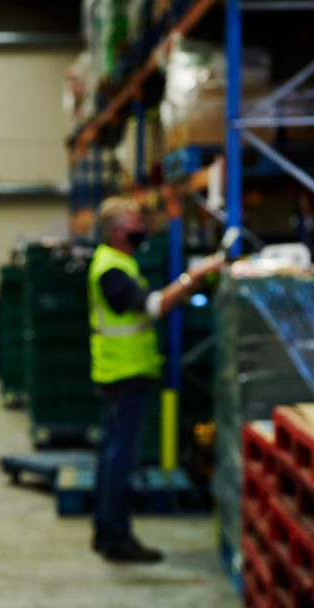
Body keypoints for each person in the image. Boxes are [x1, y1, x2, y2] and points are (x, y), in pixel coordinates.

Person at [88, 196, 223, 563]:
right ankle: (115, 537)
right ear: (118, 230)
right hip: (123, 374)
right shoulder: (111, 268)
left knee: (111, 457)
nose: (142, 228)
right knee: (119, 460)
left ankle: (106, 532)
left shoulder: (119, 262)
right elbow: (153, 306)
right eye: (135, 222)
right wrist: (192, 279)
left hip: (123, 372)